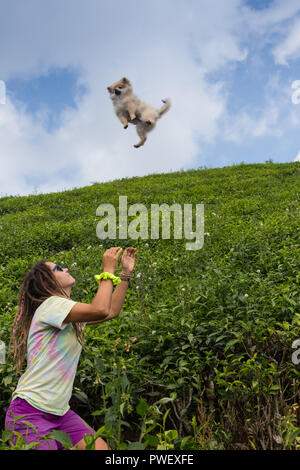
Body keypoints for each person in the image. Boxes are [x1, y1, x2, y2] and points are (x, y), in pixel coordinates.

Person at [5, 246, 136, 450]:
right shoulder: (51, 305)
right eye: (58, 268)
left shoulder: (65, 314)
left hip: (59, 412)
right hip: (30, 412)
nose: (65, 268)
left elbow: (109, 312)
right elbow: (100, 308)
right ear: (47, 282)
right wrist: (107, 270)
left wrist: (125, 274)